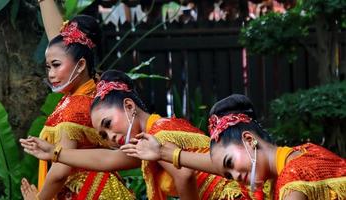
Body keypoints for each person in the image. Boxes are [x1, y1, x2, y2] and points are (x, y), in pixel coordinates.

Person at [20, 71, 268, 200]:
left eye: (108, 124)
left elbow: (185, 175)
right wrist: (55, 152)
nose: (110, 137)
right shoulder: (149, 140)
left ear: (129, 107)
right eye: (103, 134)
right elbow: (108, 160)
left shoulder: (158, 132)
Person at [122, 94, 346, 200]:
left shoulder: (294, 181)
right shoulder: (301, 153)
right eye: (227, 174)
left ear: (249, 141)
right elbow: (216, 166)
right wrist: (164, 152)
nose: (234, 177)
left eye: (230, 164)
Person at [20, 1, 134, 199]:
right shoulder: (96, 87)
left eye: (56, 65)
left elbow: (60, 171)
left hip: (87, 192)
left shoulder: (75, 106)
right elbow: (59, 46)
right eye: (48, 67)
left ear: (80, 65)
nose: (51, 74)